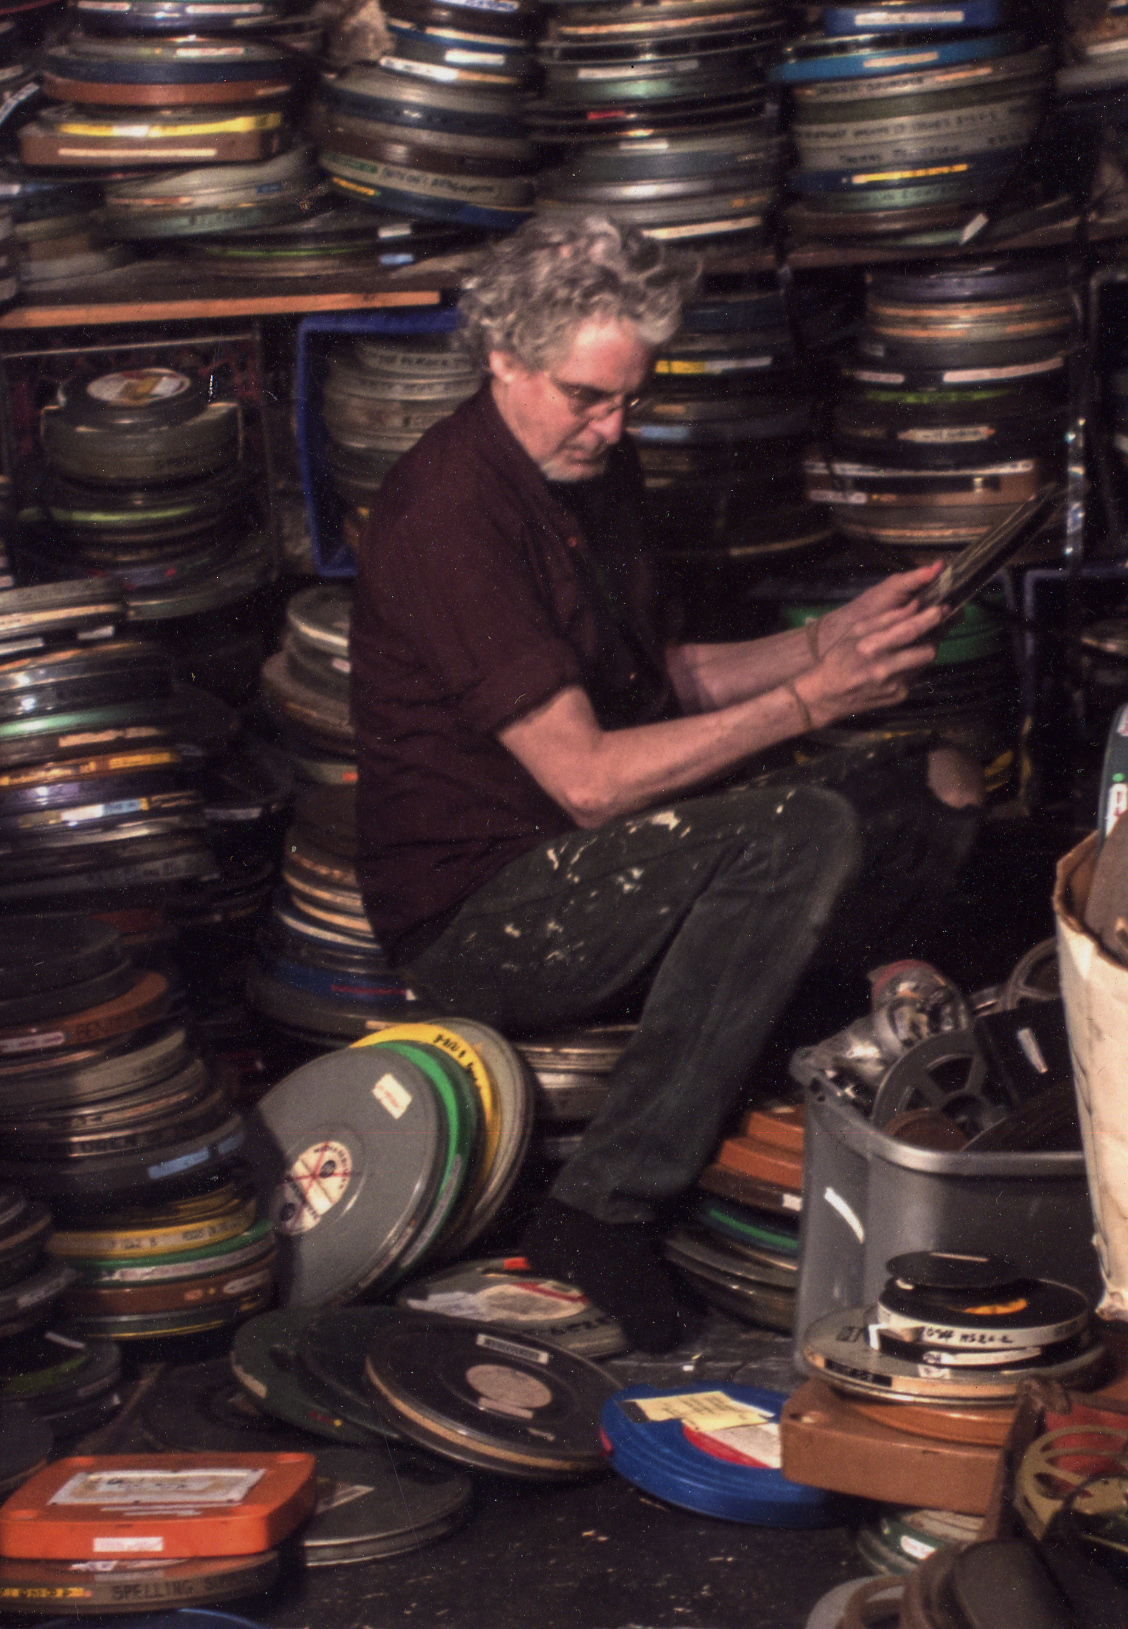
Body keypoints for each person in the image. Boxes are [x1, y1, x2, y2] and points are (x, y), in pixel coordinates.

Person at [348, 211, 984, 1348]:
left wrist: (824, 638)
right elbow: (589, 778)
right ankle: (599, 1210)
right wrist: (806, 701)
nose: (613, 422)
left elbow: (666, 674)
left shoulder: (588, 467)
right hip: (486, 907)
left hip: (602, 853)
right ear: (500, 355)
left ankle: (791, 1024)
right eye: (587, 395)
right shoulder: (450, 513)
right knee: (797, 830)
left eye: (630, 395)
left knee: (931, 776)